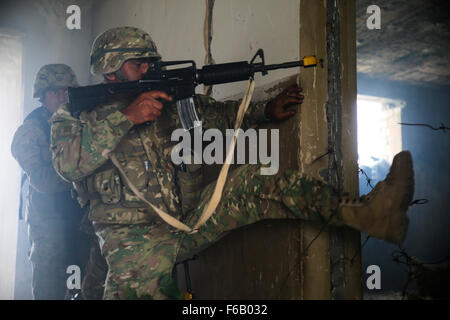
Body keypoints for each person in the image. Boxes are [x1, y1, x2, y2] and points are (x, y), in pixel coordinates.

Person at [50, 26, 415, 300]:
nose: (148, 67)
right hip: (132, 241)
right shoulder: (75, 115)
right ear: (110, 69)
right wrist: (127, 116)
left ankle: (371, 214)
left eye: (151, 60)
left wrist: (265, 111)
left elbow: (218, 115)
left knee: (260, 180)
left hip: (190, 220)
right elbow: (67, 166)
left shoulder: (164, 100)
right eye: (137, 63)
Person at [11, 64, 93, 299]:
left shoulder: (82, 122)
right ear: (42, 95)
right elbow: (42, 182)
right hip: (48, 223)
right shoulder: (30, 131)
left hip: (81, 217)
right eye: (54, 92)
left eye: (66, 91)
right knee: (50, 286)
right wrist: (82, 175)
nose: (62, 97)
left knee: (86, 283)